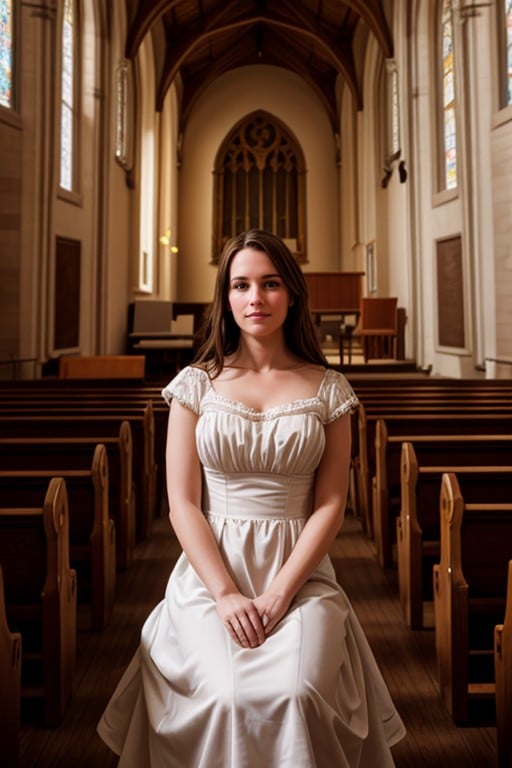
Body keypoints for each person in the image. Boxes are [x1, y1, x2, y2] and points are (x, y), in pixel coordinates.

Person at [97, 229, 406, 767]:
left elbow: (331, 504)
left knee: (297, 694)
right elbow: (182, 503)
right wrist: (224, 594)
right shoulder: (196, 384)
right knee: (225, 695)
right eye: (241, 285)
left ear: (292, 294)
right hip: (211, 573)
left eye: (270, 284)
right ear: (226, 296)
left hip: (300, 574)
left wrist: (281, 594)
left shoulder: (328, 387)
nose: (255, 298)